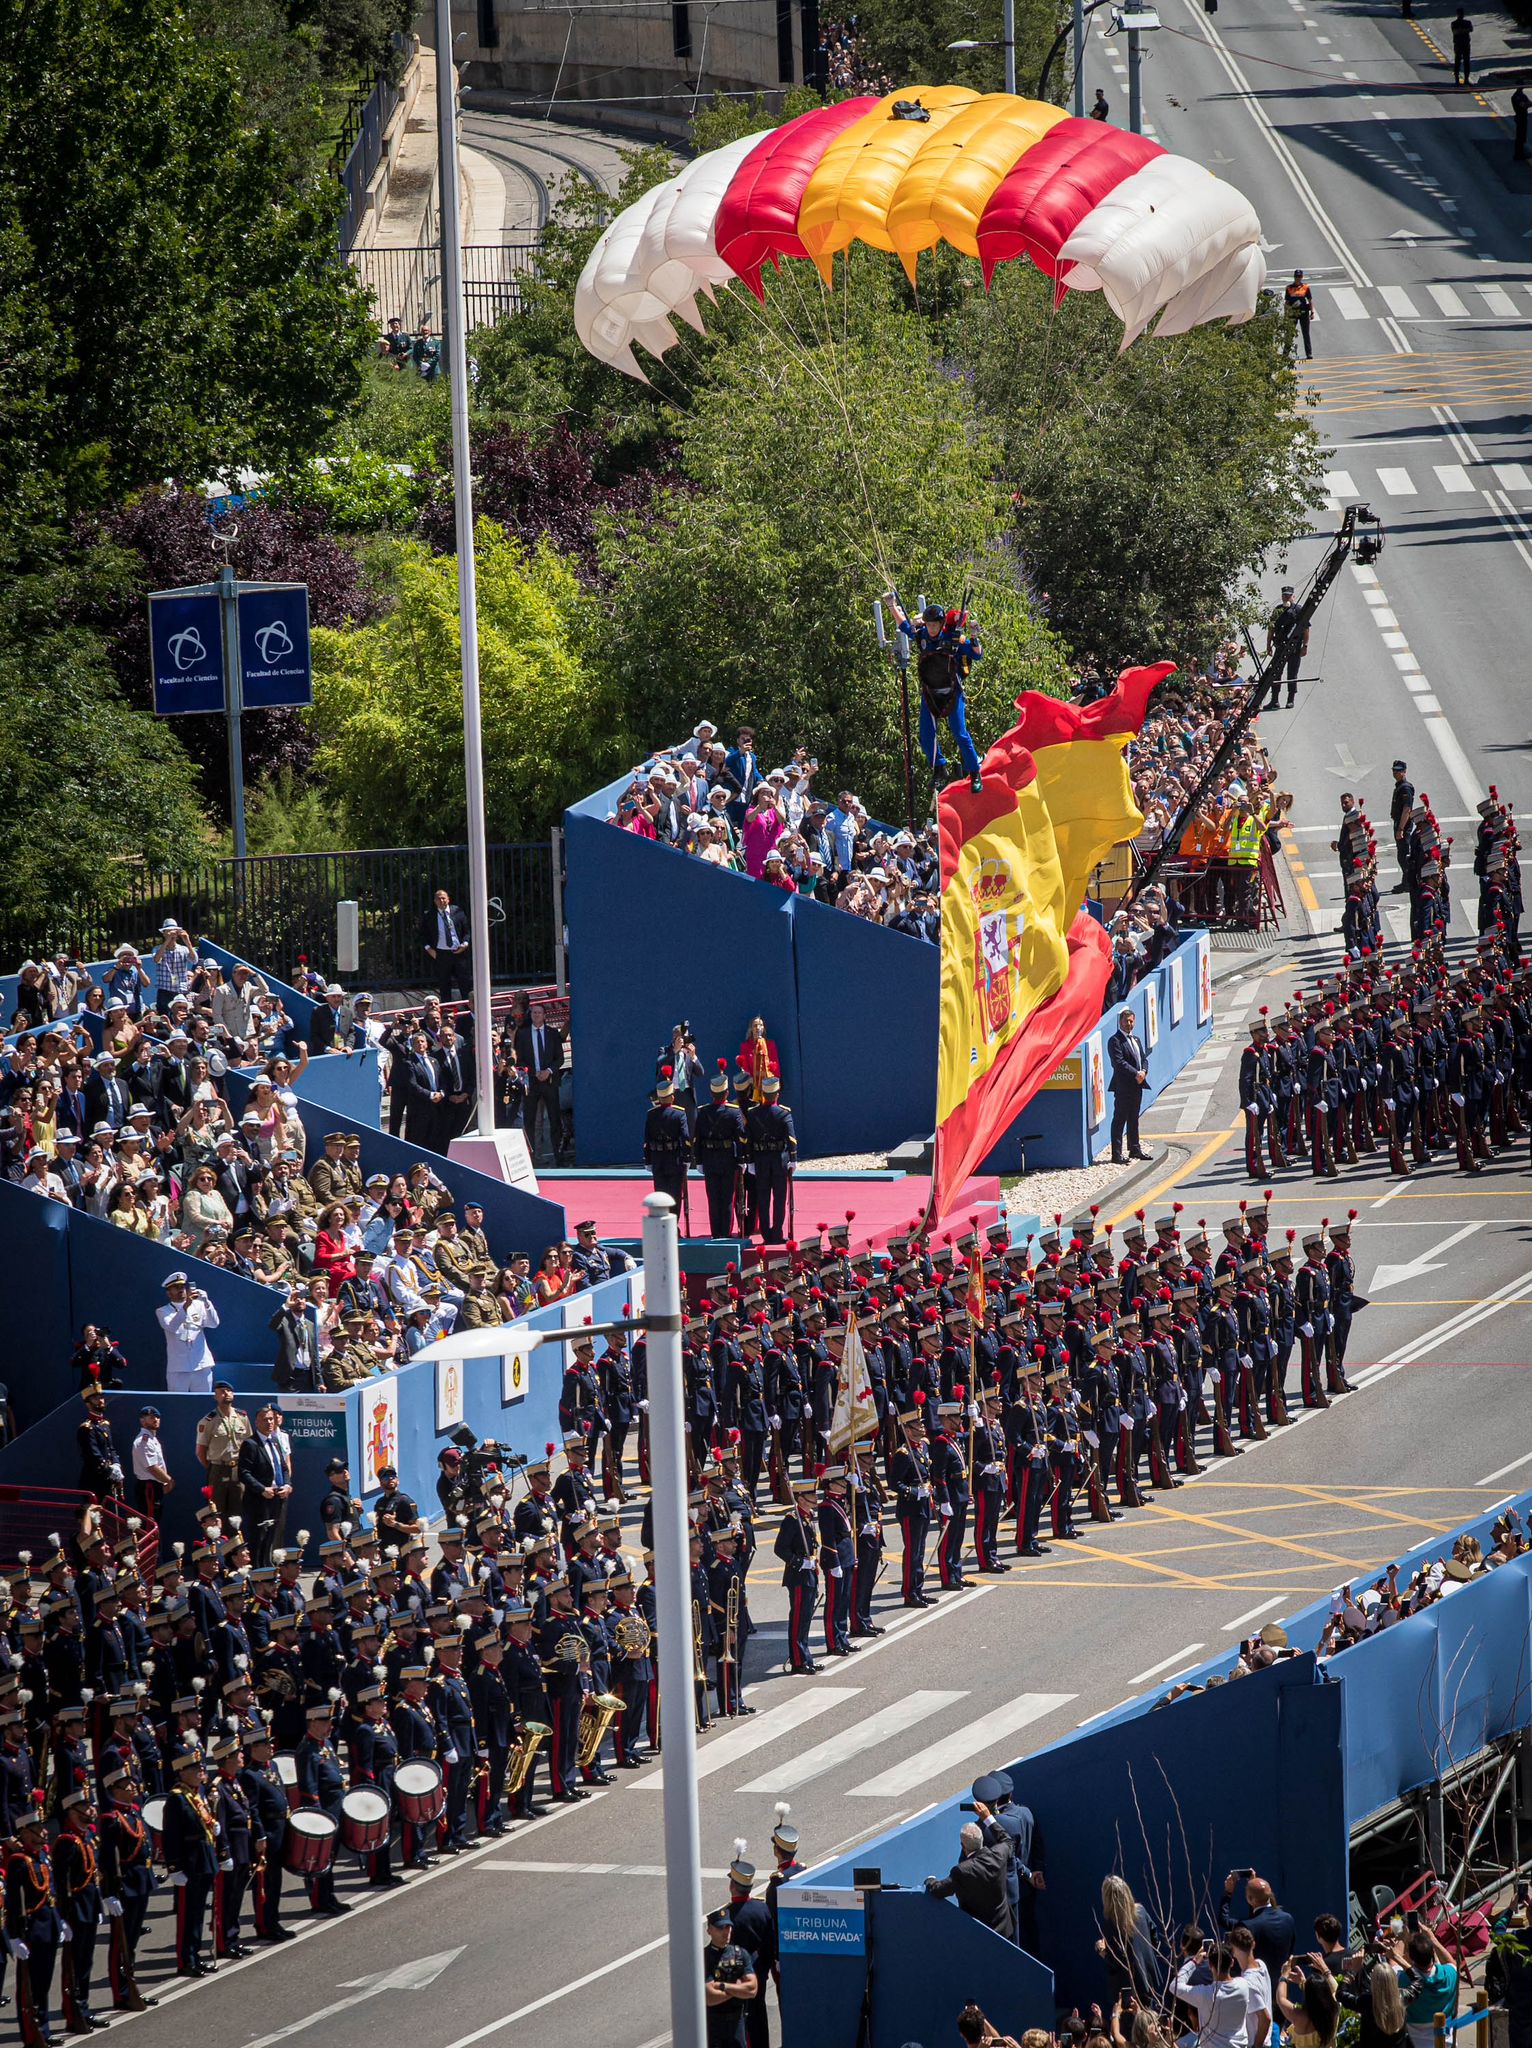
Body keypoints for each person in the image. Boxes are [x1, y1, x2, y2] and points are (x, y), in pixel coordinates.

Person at [888, 593, 986, 794]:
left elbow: (977, 655)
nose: (931, 628)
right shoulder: (922, 635)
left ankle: (975, 772)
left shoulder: (954, 637)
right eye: (929, 624)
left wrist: (975, 638)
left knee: (960, 733)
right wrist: (892, 605)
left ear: (942, 624)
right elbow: (904, 624)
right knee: (926, 735)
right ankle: (939, 768)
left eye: (935, 625)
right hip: (931, 693)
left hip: (952, 693)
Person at [923, 1820, 1014, 1940]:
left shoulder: (962, 1871)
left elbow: (939, 1890)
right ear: (982, 1840)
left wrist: (930, 1880)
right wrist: (988, 1819)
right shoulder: (999, 1855)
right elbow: (1007, 1840)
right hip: (1005, 1931)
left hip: (978, 1934)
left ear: (963, 1846)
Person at [1174, 1940, 1258, 2048]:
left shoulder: (1205, 1994)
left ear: (1209, 1965)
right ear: (1232, 1963)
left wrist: (1194, 1961)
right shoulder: (1244, 1985)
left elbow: (1175, 1986)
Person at [238, 1403, 293, 1568]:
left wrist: (288, 1485)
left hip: (278, 1496)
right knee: (258, 1539)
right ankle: (257, 1571)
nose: (269, 1423)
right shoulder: (250, 1444)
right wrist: (262, 1489)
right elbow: (244, 1473)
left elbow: (284, 1467)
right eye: (265, 1420)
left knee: (272, 1538)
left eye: (271, 1419)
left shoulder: (275, 1441)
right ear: (257, 1422)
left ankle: (268, 1569)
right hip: (259, 1500)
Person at [1220, 1870, 1297, 1980]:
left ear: (1250, 1899)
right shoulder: (1288, 1919)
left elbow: (1223, 1920)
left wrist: (1228, 1893)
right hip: (1281, 1985)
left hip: (1257, 1986)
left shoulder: (1247, 1926)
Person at [514, 1004, 565, 1164]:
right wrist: (531, 1072)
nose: (536, 1015)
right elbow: (519, 1060)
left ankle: (558, 1155)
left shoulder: (552, 1033)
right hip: (531, 1082)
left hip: (549, 1081)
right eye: (534, 1013)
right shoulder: (522, 1035)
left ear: (545, 1016)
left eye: (539, 1013)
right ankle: (531, 1157)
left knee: (554, 1118)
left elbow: (560, 1059)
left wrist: (548, 1071)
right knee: (529, 1120)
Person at [1098, 1872, 1159, 2005]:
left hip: (1129, 1989)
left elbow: (1118, 1962)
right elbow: (1155, 1939)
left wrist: (1102, 1951)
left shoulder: (1111, 1924)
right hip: (1150, 1980)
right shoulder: (1141, 1911)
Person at [195, 1382, 251, 1523]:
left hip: (237, 1469)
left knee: (237, 1510)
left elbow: (249, 1444)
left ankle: (235, 1543)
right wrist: (213, 1467)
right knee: (216, 1511)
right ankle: (218, 1543)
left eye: (228, 1391)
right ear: (215, 1396)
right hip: (218, 1468)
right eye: (221, 1391)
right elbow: (201, 1451)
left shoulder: (242, 1417)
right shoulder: (208, 1421)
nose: (226, 1394)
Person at [157, 1272, 221, 1395]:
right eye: (176, 1288)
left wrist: (207, 1303)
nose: (180, 1290)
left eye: (182, 1287)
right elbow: (171, 1327)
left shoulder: (199, 1305)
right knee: (177, 1404)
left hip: (201, 1365)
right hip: (178, 1368)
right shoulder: (163, 1311)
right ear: (169, 1293)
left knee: (203, 1403)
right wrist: (186, 1307)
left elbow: (214, 1323)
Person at [704, 1909, 758, 2048]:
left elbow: (752, 1990)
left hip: (737, 2022)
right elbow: (710, 1997)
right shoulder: (704, 1957)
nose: (726, 1931)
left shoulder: (740, 1954)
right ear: (709, 1930)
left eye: (728, 1927)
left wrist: (724, 1986)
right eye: (720, 1928)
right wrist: (739, 1989)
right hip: (714, 2024)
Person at [1107, 1007, 1150, 1164]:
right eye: (1126, 1021)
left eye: (1131, 1021)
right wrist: (1136, 1074)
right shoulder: (1115, 1041)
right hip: (1123, 1086)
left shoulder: (1136, 1039)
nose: (1129, 1024)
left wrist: (1144, 1071)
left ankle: (1135, 1149)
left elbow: (1143, 1059)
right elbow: (1119, 1062)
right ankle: (1116, 1154)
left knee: (1134, 1117)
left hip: (1137, 1085)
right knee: (1120, 1119)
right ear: (1120, 1022)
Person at [421, 887, 471, 1001]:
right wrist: (429, 949)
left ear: (448, 899)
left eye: (443, 898)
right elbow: (422, 935)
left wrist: (465, 943)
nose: (441, 901)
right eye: (438, 899)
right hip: (441, 953)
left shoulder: (458, 911)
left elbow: (467, 931)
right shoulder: (429, 915)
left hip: (459, 952)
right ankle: (447, 1012)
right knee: (444, 984)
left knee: (464, 982)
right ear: (435, 901)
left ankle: (470, 1009)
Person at [1265, 586, 1308, 708]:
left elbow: (1306, 629)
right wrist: (1268, 645)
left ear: (1293, 596)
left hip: (1294, 648)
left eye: (1289, 595)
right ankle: (1274, 700)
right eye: (1284, 595)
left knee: (1292, 674)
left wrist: (1305, 646)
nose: (1286, 597)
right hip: (1280, 646)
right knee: (1276, 673)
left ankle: (1291, 699)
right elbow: (1271, 628)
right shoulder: (1277, 610)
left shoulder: (1299, 610)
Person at [130, 1405, 174, 1518]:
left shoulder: (152, 1439)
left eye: (157, 1417)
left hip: (155, 1485)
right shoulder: (144, 1441)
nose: (155, 1419)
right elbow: (152, 1467)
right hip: (148, 1486)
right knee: (149, 1520)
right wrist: (169, 1481)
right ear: (142, 1421)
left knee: (155, 1518)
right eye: (151, 1417)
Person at [1284, 270, 1315, 359]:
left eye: (1299, 277)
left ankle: (1309, 353)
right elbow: (1287, 302)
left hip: (1303, 313)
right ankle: (1285, 353)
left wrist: (1312, 312)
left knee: (1306, 333)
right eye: (1296, 277)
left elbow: (1310, 300)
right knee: (1289, 333)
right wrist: (1286, 314)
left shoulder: (1305, 287)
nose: (1298, 278)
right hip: (1292, 313)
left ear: (1301, 277)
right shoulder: (1289, 288)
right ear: (1294, 277)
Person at [1451, 8, 1471, 83]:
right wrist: (1464, 30)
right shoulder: (1455, 23)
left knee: (1465, 62)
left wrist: (1461, 30)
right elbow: (1455, 32)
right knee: (1458, 62)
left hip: (1463, 44)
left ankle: (1466, 79)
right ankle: (1457, 79)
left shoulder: (1466, 22)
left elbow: (1470, 29)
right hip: (1459, 44)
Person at [1514, 79, 1530, 160]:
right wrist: (1528, 104)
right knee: (1519, 136)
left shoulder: (1523, 95)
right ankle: (1518, 154)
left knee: (1522, 136)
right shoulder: (1516, 96)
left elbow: (1528, 103)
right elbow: (1523, 105)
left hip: (1523, 117)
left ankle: (1521, 152)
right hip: (1520, 117)